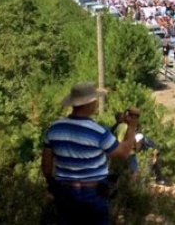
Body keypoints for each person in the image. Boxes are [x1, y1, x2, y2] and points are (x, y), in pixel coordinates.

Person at [42, 83, 139, 225]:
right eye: (95, 100)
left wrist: (53, 186)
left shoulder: (54, 129)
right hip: (93, 193)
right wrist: (132, 127)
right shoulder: (98, 132)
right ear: (89, 103)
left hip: (65, 193)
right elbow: (124, 153)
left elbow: (46, 165)